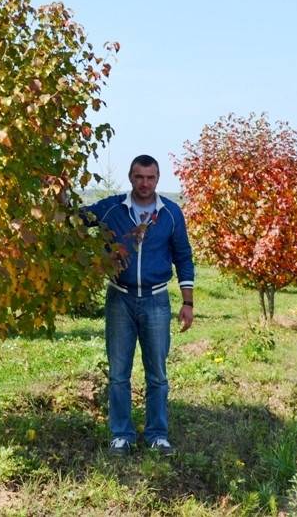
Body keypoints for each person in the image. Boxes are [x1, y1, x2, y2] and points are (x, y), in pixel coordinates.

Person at [80, 154, 194, 456]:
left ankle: (157, 434)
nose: (145, 183)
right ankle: (122, 435)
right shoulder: (113, 209)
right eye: (139, 177)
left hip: (157, 300)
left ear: (158, 179)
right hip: (120, 298)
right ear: (130, 177)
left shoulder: (170, 213)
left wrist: (187, 302)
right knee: (119, 372)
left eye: (151, 177)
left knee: (157, 372)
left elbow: (183, 256)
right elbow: (80, 221)